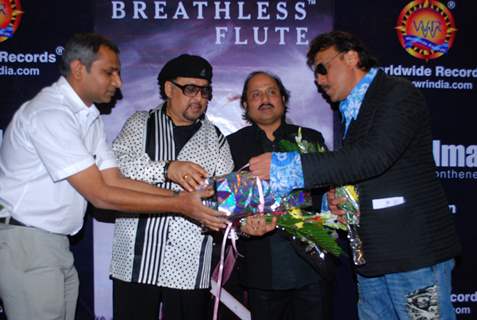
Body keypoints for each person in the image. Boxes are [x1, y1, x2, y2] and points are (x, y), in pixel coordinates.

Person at [0, 34, 227, 320]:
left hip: (55, 244)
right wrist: (180, 201)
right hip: (28, 241)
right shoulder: (50, 114)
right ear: (79, 69)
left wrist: (184, 199)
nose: (118, 82)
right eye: (110, 72)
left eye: (118, 72)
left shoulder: (88, 117)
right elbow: (100, 195)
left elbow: (114, 180)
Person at [249, 31, 461, 319]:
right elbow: (365, 175)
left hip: (412, 257)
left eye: (323, 68)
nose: (319, 80)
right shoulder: (352, 111)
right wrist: (336, 201)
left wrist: (284, 167)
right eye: (316, 74)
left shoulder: (397, 93)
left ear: (351, 57)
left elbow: (373, 158)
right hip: (371, 260)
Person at [110, 54, 234, 320]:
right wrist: (167, 169)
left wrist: (240, 212)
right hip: (136, 262)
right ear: (169, 89)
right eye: (190, 89)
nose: (199, 98)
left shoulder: (216, 140)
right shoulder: (141, 123)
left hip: (189, 267)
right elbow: (116, 171)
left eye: (205, 91)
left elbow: (228, 197)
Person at [227, 71, 335, 320]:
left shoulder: (309, 139)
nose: (264, 99)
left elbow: (325, 192)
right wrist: (243, 224)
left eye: (271, 92)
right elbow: (229, 208)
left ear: (283, 100)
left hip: (311, 266)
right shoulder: (232, 145)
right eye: (255, 94)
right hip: (262, 269)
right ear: (245, 104)